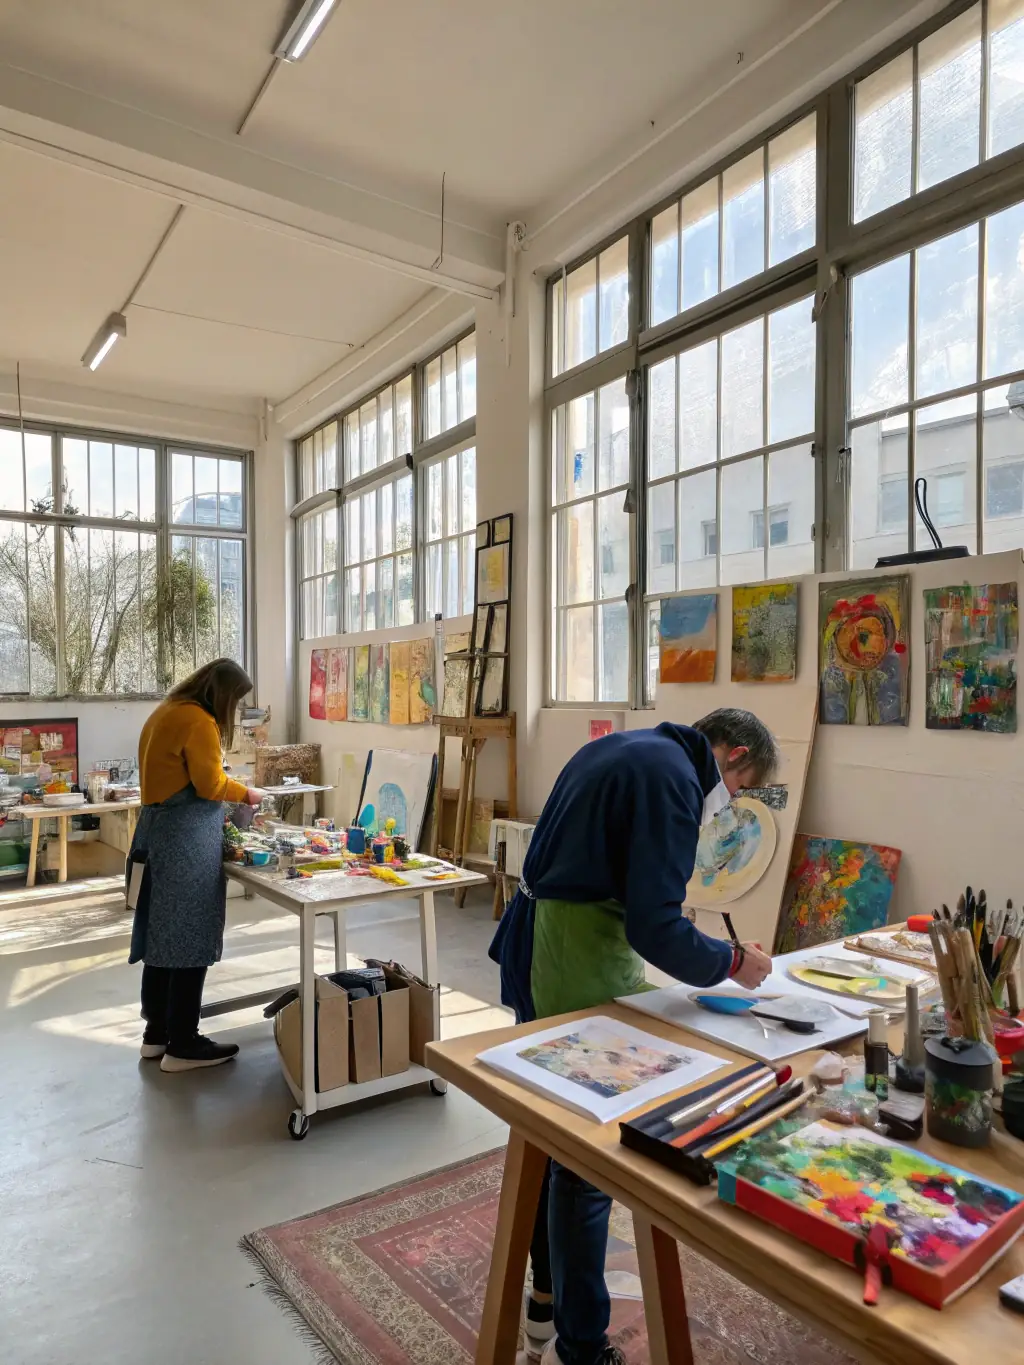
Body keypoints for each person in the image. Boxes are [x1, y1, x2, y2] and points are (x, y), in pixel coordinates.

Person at [489, 708, 778, 1365]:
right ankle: (582, 1346)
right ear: (731, 756)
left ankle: (544, 1300)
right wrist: (735, 963)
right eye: (740, 791)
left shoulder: (643, 748)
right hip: (570, 951)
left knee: (547, 1133)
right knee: (587, 1154)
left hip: (551, 935)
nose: (730, 806)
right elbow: (656, 927)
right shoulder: (674, 780)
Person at [128, 658, 265, 1073]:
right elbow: (210, 785)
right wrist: (248, 794)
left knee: (161, 934)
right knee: (190, 934)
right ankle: (183, 1043)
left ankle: (156, 1034)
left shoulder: (165, 711)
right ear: (222, 695)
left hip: (158, 831)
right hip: (185, 840)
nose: (236, 710)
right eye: (236, 701)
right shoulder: (199, 721)